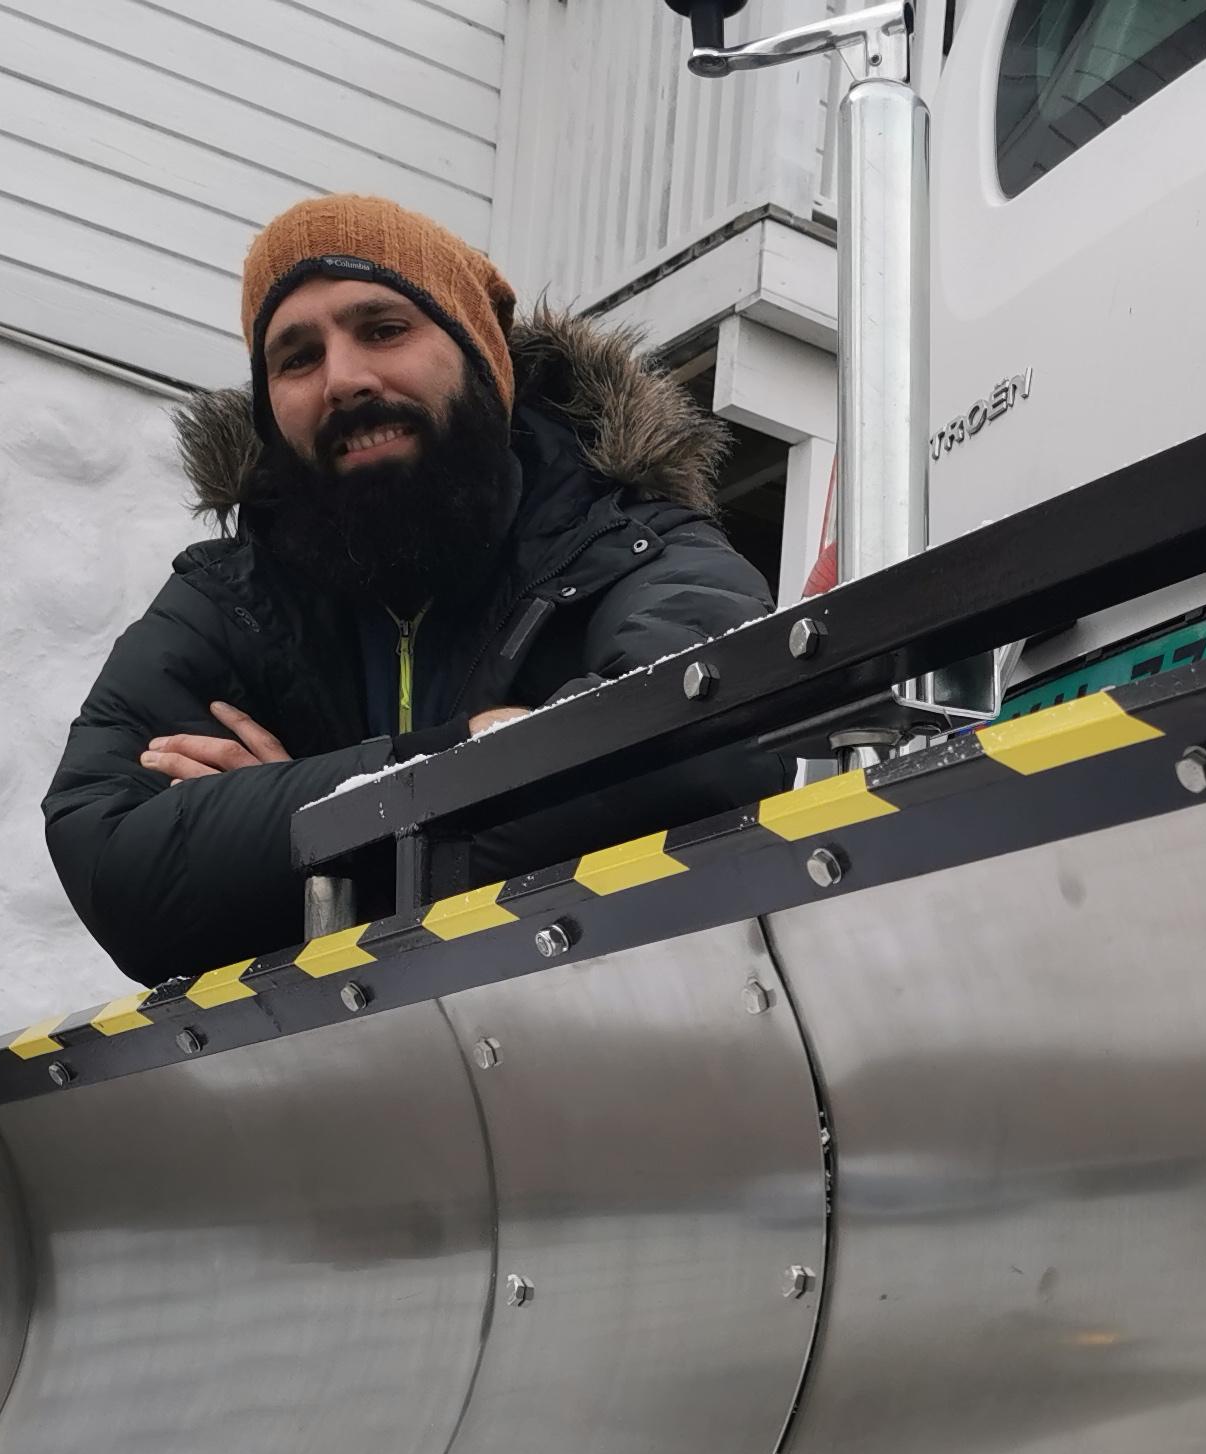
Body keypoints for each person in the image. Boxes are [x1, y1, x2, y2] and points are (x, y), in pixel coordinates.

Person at [45, 195, 775, 983]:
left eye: (384, 330)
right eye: (297, 357)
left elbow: (687, 749)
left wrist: (290, 828)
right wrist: (456, 757)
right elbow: (117, 865)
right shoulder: (228, 600)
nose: (345, 379)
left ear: (484, 359)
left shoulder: (642, 551)